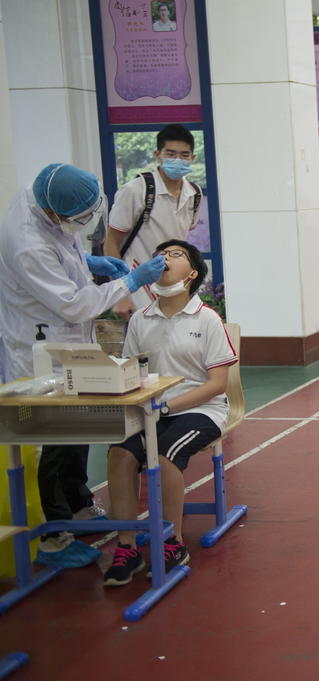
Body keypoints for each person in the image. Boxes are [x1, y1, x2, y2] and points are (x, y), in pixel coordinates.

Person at [0, 163, 166, 568]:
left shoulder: (42, 199)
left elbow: (64, 249)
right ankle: (54, 534)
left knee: (79, 424)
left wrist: (88, 265)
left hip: (68, 340)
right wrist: (127, 282)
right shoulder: (27, 242)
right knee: (54, 433)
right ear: (53, 212)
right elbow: (72, 305)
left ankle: (78, 504)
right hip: (40, 344)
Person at [103, 239, 237, 585]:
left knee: (163, 456)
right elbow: (130, 370)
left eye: (175, 255)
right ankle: (127, 546)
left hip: (200, 409)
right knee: (119, 454)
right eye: (160, 254)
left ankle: (172, 542)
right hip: (150, 410)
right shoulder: (140, 320)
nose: (165, 258)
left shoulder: (206, 319)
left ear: (192, 273)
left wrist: (167, 405)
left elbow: (217, 383)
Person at [105, 124, 202, 319]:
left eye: (184, 155)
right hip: (137, 286)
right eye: (171, 154)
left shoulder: (194, 194)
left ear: (192, 158)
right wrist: (120, 294)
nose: (178, 160)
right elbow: (111, 243)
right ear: (157, 154)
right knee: (143, 345)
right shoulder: (137, 189)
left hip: (175, 285)